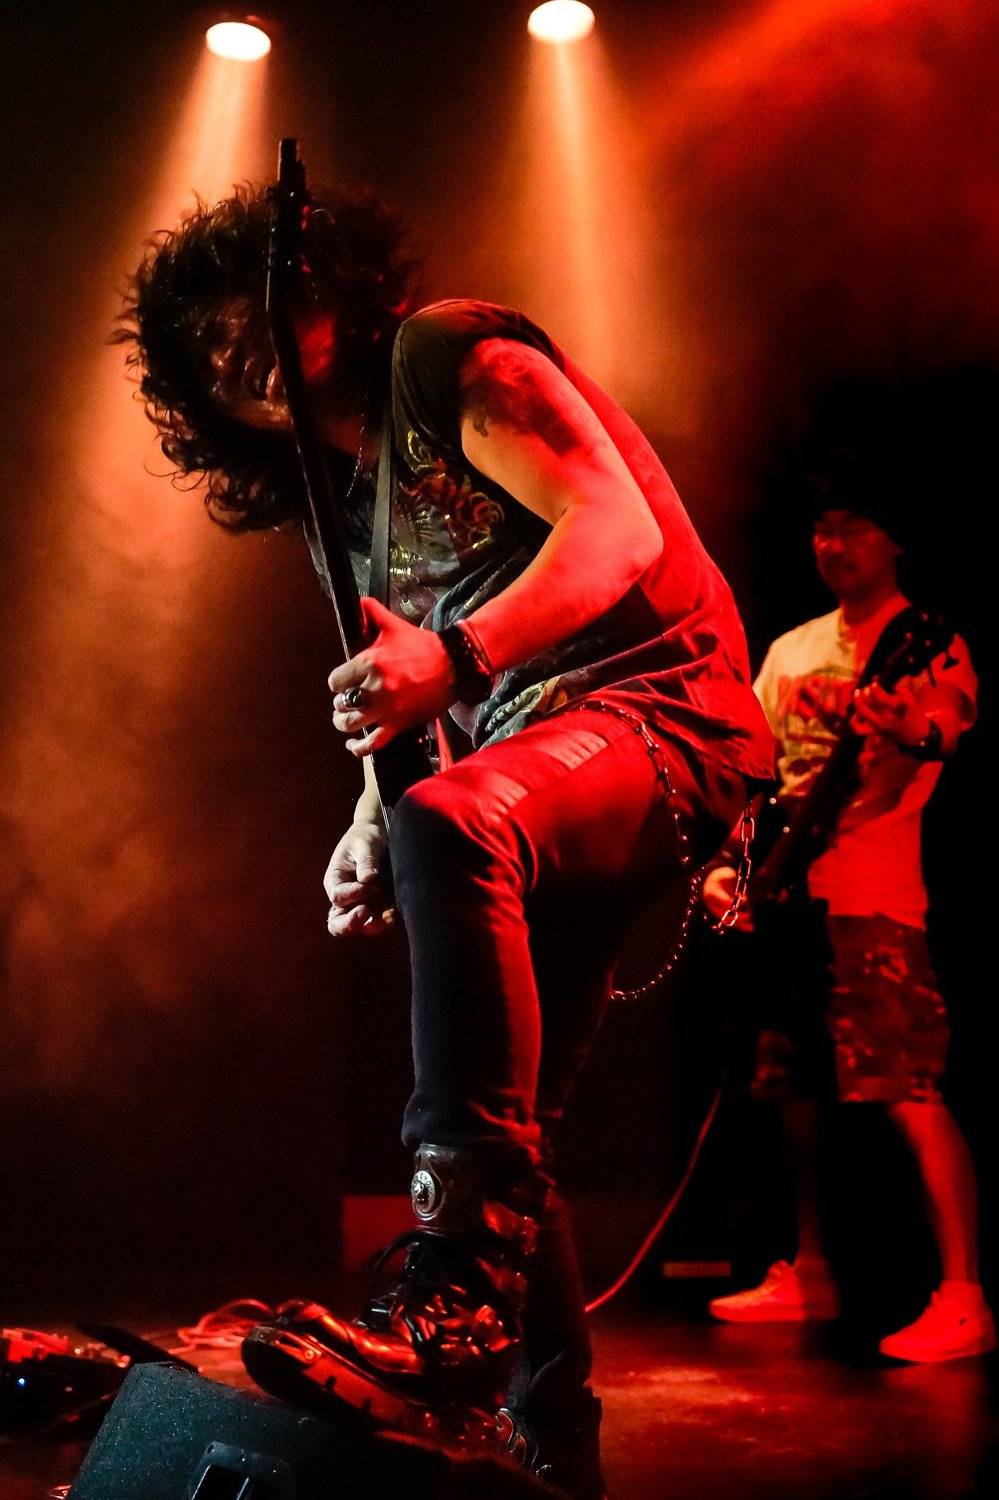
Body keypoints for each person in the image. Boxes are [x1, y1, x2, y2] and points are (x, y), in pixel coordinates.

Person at [118, 183, 775, 1494]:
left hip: (663, 713)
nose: (240, 351)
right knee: (513, 1130)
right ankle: (548, 1441)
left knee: (453, 822)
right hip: (530, 773)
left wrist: (457, 667)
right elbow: (415, 704)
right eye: (208, 347)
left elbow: (617, 525)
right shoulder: (338, 507)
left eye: (256, 310)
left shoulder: (446, 356)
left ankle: (456, 1296)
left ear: (328, 288)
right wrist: (370, 819)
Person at [702, 485, 994, 1363]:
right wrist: (726, 863)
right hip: (787, 898)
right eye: (821, 529)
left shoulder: (924, 640)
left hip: (872, 899)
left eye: (853, 528)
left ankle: (963, 1295)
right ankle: (809, 1269)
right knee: (788, 1090)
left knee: (907, 1089)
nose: (833, 545)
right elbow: (752, 769)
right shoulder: (791, 649)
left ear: (893, 540)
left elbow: (947, 724)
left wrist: (915, 730)